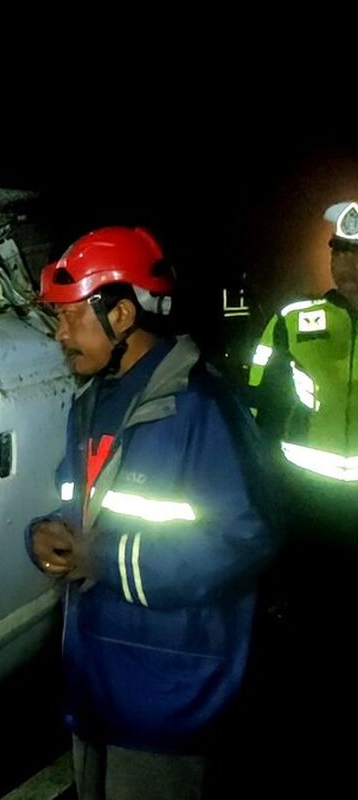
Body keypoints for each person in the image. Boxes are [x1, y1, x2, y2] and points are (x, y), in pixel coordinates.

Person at [27, 226, 276, 799]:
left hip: (166, 700)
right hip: (96, 686)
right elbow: (83, 507)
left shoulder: (199, 409)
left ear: (121, 314)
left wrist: (106, 559)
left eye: (69, 316)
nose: (59, 334)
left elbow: (246, 536)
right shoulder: (89, 403)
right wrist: (43, 535)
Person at [245, 199, 358, 789]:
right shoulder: (294, 320)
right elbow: (259, 401)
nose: (350, 268)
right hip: (310, 505)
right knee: (312, 636)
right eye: (342, 254)